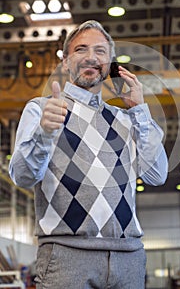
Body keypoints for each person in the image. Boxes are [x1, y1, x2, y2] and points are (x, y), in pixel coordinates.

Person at [9, 20, 168, 289]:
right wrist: (45, 132)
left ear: (110, 63)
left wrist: (140, 110)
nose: (91, 57)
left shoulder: (127, 119)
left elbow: (156, 175)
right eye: (81, 49)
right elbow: (23, 176)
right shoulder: (42, 109)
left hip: (128, 257)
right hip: (67, 256)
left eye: (100, 51)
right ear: (66, 62)